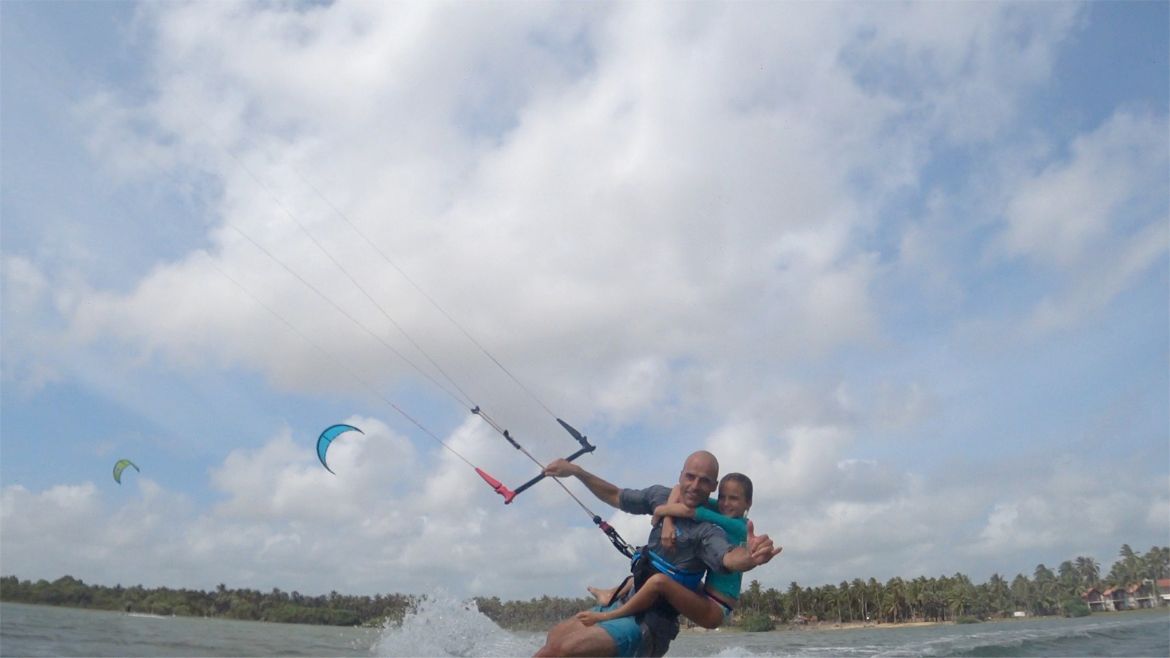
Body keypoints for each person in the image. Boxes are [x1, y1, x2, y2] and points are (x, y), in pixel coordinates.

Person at [533, 451, 780, 657]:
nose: (695, 485)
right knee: (553, 642)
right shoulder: (661, 496)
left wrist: (749, 558)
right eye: (690, 477)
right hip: (628, 600)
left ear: (712, 487)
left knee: (565, 650)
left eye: (704, 481)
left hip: (650, 623)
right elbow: (616, 496)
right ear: (680, 476)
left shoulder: (710, 530)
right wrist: (576, 471)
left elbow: (727, 558)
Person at [576, 472, 759, 630]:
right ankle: (611, 593)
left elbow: (691, 512)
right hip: (705, 593)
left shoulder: (739, 526)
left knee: (659, 582)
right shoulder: (723, 510)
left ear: (748, 503)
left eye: (733, 498)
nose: (726, 503)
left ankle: (610, 616)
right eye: (722, 497)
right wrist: (669, 520)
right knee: (658, 568)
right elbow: (679, 489)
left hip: (716, 607)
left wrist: (661, 511)